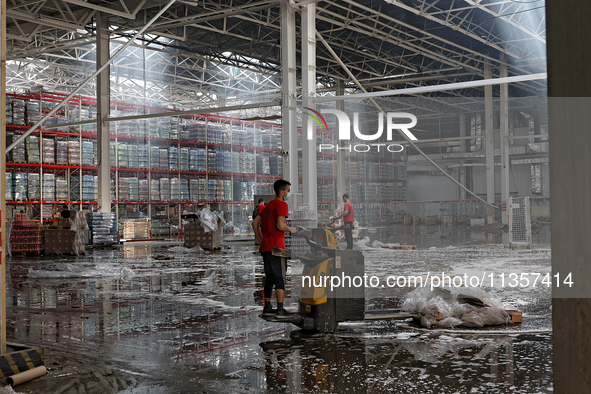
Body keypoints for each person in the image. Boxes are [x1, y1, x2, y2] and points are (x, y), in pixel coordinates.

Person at [252, 179, 297, 319]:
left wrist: (261, 241)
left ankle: (267, 307)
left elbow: (255, 224)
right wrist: (293, 230)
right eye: (288, 191)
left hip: (266, 248)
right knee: (280, 278)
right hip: (277, 248)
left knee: (270, 278)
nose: (289, 193)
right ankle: (280, 310)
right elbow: (281, 226)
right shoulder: (282, 204)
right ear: (281, 192)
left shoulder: (268, 205)